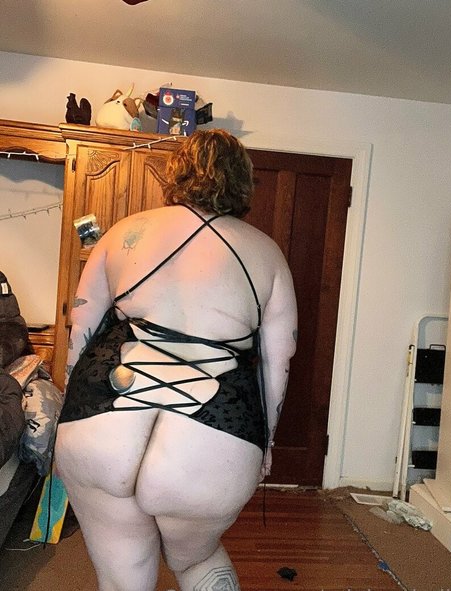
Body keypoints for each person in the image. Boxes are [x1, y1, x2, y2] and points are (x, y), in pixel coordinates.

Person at [54, 129, 297, 591]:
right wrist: (265, 443)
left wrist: (70, 408)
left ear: (177, 171)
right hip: (212, 437)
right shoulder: (268, 254)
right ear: (243, 181)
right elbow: (278, 361)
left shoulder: (124, 232)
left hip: (102, 416)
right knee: (196, 560)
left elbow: (80, 329)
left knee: (123, 577)